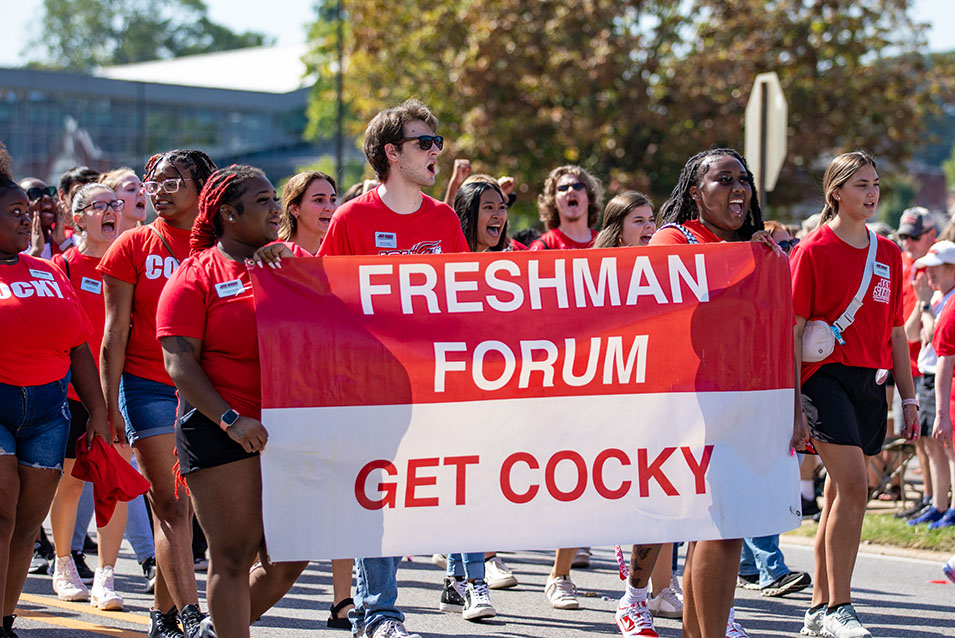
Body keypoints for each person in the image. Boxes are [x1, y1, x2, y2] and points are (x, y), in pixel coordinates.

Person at [318, 98, 468, 638]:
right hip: (368, 385)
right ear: (391, 152)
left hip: (431, 381)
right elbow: (324, 300)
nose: (436, 152)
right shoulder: (352, 219)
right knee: (375, 495)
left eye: (437, 142)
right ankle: (378, 613)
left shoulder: (445, 219)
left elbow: (462, 301)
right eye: (424, 143)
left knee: (416, 493)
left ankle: (460, 578)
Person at [648, 148, 802, 638]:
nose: (739, 189)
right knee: (721, 527)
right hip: (691, 403)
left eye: (744, 179)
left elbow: (776, 330)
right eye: (724, 180)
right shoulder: (672, 238)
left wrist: (762, 261)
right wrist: (738, 259)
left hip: (747, 401)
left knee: (715, 531)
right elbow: (657, 305)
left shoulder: (754, 247)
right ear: (696, 193)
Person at [158, 164, 309, 638]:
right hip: (221, 427)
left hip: (289, 428)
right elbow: (179, 363)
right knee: (232, 554)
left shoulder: (293, 262)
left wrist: (295, 266)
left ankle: (216, 630)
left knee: (290, 555)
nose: (274, 209)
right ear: (228, 213)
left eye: (273, 199)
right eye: (262, 201)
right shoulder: (195, 275)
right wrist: (231, 419)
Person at [791, 151, 918, 638]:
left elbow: (897, 333)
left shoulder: (888, 252)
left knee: (839, 494)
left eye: (876, 184)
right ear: (836, 193)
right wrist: (790, 401)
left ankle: (818, 610)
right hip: (822, 379)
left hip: (872, 380)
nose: (872, 193)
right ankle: (841, 606)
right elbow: (793, 329)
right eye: (861, 184)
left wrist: (909, 399)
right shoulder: (813, 249)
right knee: (855, 487)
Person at [99, 149, 217, 638]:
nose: (159, 188)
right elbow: (113, 336)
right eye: (154, 181)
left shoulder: (220, 245)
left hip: (208, 389)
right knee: (170, 505)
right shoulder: (131, 245)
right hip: (146, 385)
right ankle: (192, 615)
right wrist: (108, 409)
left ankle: (162, 617)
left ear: (201, 187)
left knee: (190, 507)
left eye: (173, 180)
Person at [0, 143, 111, 638]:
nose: (27, 222)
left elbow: (81, 349)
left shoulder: (48, 271)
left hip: (49, 411)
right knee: (2, 511)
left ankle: (6, 618)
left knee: (27, 523)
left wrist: (100, 412)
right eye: (14, 213)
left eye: (28, 214)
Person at [47, 183, 131, 609]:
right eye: (99, 205)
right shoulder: (62, 265)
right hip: (72, 392)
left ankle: (107, 575)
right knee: (71, 482)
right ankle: (64, 565)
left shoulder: (127, 260)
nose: (111, 211)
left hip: (118, 389)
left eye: (115, 204)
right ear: (78, 218)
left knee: (113, 483)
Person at [896, 207, 939, 517]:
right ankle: (927, 495)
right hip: (906, 363)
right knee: (919, 440)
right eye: (903, 236)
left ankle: (933, 497)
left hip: (927, 364)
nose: (907, 242)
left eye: (913, 236)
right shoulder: (901, 263)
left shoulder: (937, 268)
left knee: (930, 439)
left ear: (931, 236)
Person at [909, 240, 955, 529]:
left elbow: (933, 335)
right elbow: (913, 333)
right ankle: (938, 504)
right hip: (927, 377)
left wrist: (926, 305)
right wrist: (921, 304)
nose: (929, 275)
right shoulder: (936, 298)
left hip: (943, 379)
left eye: (935, 268)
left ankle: (948, 506)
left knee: (948, 447)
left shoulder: (947, 299)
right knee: (929, 445)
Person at [529, 165, 602, 250]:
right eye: (563, 188)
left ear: (590, 197)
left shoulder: (605, 244)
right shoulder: (543, 246)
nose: (571, 190)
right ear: (553, 202)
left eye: (578, 186)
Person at [278, 170, 337, 255]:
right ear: (295, 209)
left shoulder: (337, 253)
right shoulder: (273, 254)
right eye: (319, 200)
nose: (330, 208)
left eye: (333, 200)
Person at [453, 179, 513, 253]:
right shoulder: (444, 259)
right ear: (466, 213)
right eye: (489, 207)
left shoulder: (503, 262)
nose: (498, 215)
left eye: (501, 207)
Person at [18, 177, 69, 259]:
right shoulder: (15, 248)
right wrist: (35, 251)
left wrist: (63, 242)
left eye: (48, 192)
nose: (46, 197)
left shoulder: (70, 240)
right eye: (35, 194)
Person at [101, 167, 148, 233]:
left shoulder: (150, 239)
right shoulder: (99, 241)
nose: (141, 192)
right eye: (131, 189)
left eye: (141, 187)